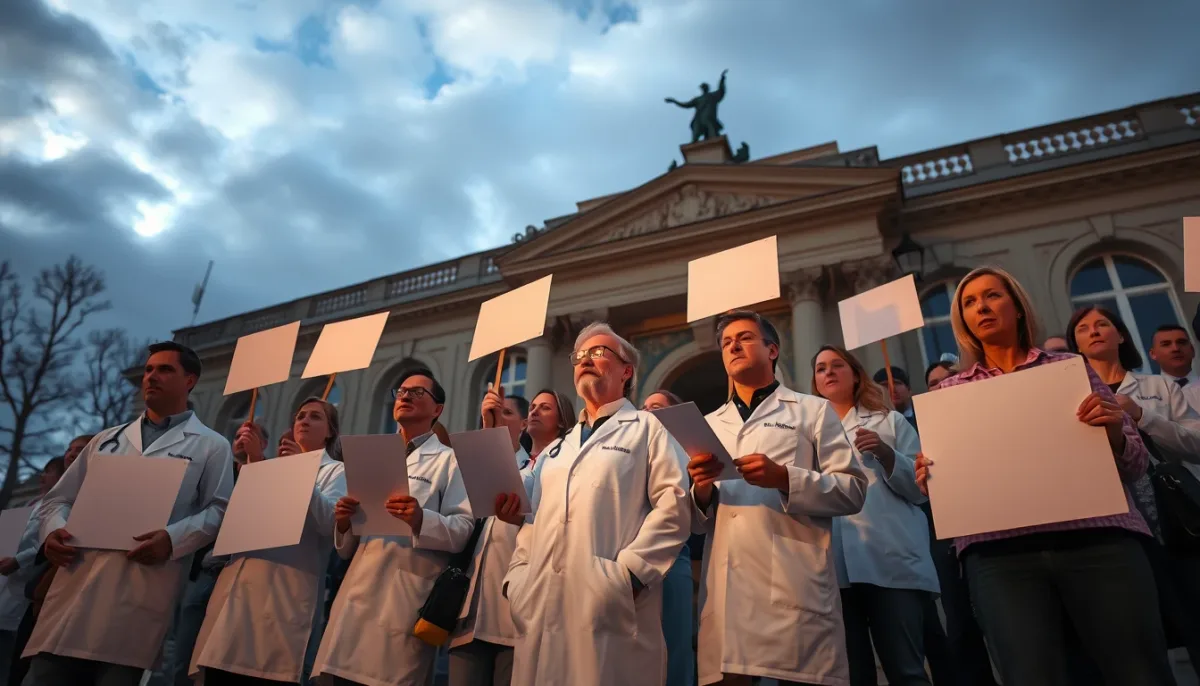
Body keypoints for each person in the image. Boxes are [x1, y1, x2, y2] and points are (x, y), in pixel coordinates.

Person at [914, 267, 1176, 686]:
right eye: (969, 302)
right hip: (1000, 559)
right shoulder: (949, 394)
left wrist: (1112, 429)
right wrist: (934, 478)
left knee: (1139, 672)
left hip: (1099, 541)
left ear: (1017, 307)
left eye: (992, 296)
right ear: (962, 320)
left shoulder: (1070, 368)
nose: (981, 307)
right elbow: (948, 491)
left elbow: (1136, 464)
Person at [20, 341, 234, 686]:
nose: (151, 377)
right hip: (76, 582)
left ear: (190, 381)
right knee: (45, 676)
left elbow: (220, 509)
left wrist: (172, 539)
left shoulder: (211, 445)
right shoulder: (106, 440)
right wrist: (53, 531)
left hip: (140, 590)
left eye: (165, 370)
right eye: (148, 370)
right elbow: (57, 500)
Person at [504, 322, 690, 686]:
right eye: (580, 356)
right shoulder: (557, 449)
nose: (586, 360)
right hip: (541, 603)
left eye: (599, 352)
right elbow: (533, 521)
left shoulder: (648, 428)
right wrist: (518, 579)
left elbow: (675, 504)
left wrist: (630, 575)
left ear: (626, 371)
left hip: (610, 602)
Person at [688, 310, 867, 686]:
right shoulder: (708, 423)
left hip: (790, 578)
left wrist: (785, 478)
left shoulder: (811, 410)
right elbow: (697, 520)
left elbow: (852, 490)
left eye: (745, 338)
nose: (734, 346)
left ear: (772, 350)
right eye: (726, 342)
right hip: (728, 589)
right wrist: (701, 489)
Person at [312, 367, 473, 686]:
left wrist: (420, 519)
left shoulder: (450, 461)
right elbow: (346, 550)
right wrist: (344, 522)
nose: (405, 396)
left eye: (417, 392)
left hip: (402, 602)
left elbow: (462, 529)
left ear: (437, 409)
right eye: (401, 391)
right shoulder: (371, 457)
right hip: (356, 599)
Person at [1067, 305, 1200, 675]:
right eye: (1083, 328)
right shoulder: (1069, 398)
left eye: (1102, 324)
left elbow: (1196, 445)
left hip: (1175, 522)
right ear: (1075, 345)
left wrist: (1142, 415)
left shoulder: (1158, 387)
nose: (1094, 331)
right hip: (1115, 528)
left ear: (1121, 335)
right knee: (1139, 641)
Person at [189, 399, 346, 685]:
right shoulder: (271, 467)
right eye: (300, 416)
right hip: (237, 590)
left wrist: (299, 472)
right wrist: (255, 463)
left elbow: (329, 523)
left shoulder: (337, 471)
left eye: (315, 417)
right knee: (219, 670)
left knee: (265, 671)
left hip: (284, 594)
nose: (304, 420)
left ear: (330, 432)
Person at [811, 346, 935, 686]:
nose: (828, 372)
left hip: (890, 561)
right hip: (833, 571)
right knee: (853, 676)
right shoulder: (807, 433)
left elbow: (920, 490)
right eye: (821, 368)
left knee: (907, 672)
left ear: (855, 374)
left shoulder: (889, 421)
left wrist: (885, 452)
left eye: (837, 365)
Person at [447, 387, 532, 686]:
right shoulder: (471, 463)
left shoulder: (533, 468)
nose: (499, 416)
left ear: (524, 424)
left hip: (511, 607)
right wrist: (488, 430)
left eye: (507, 413)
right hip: (469, 605)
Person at [641, 389, 695, 686]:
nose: (648, 411)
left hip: (673, 558)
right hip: (633, 556)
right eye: (645, 406)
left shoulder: (688, 452)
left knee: (674, 648)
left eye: (657, 407)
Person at [0, 456, 66, 686]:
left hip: (20, 590)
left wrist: (18, 560)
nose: (42, 476)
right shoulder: (31, 503)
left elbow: (43, 545)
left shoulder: (61, 508)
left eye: (49, 472)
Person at [1149, 324, 1200, 412]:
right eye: (1166, 344)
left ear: (1192, 350)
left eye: (1181, 342)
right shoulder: (1146, 395)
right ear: (1153, 354)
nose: (1176, 349)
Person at [523, 390, 573, 462]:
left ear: (561, 421)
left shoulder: (569, 460)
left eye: (545, 408)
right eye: (531, 408)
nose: (534, 412)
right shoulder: (517, 461)